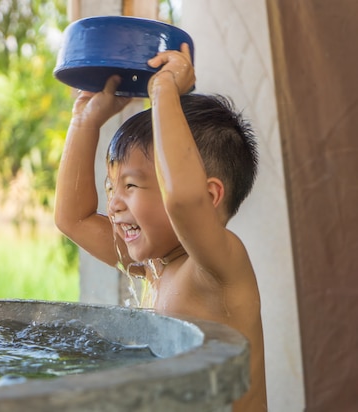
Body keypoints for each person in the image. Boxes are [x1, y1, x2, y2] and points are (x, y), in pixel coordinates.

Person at [54, 43, 267, 412]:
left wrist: (164, 89)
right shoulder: (154, 264)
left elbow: (184, 201)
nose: (114, 204)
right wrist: (84, 121)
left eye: (131, 186)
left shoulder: (218, 269)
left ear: (209, 195)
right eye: (111, 187)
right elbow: (72, 218)